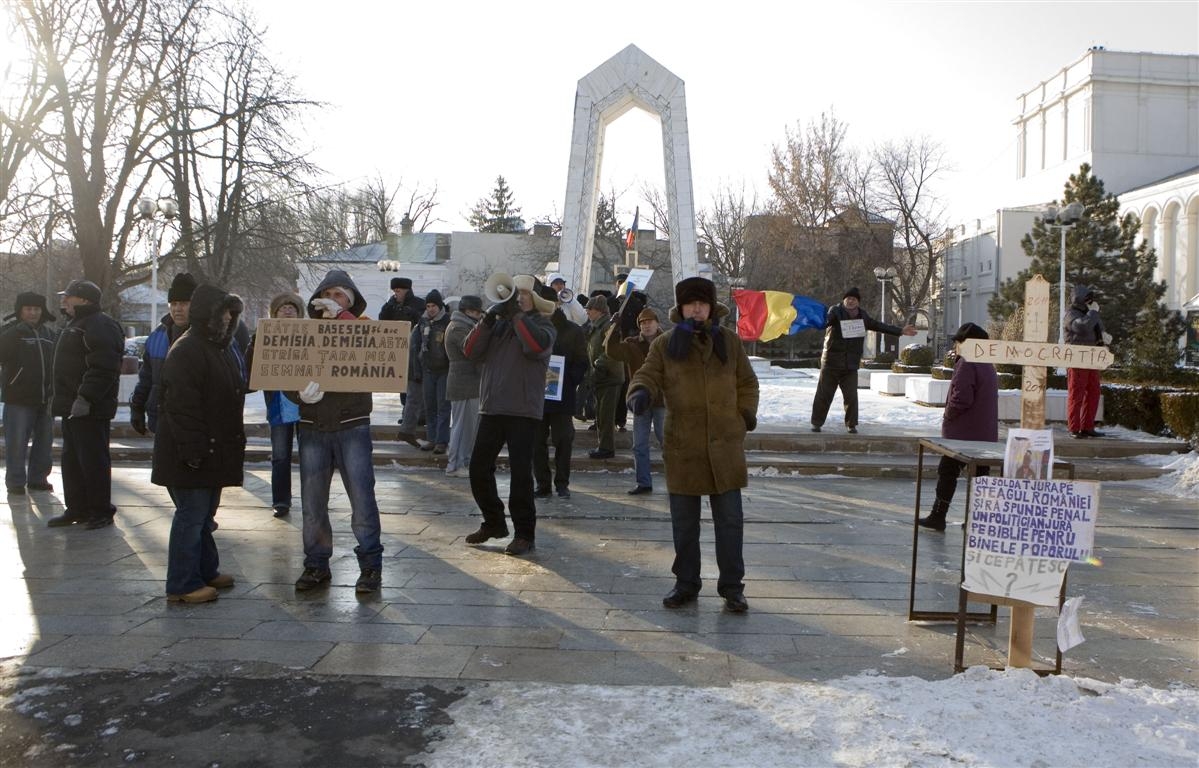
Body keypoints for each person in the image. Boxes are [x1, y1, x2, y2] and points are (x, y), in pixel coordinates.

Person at [628, 277, 759, 612]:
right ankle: (686, 583)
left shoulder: (728, 341)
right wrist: (640, 392)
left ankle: (732, 587)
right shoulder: (666, 344)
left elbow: (747, 381)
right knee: (684, 523)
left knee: (730, 522)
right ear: (682, 308)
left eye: (702, 303)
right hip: (683, 445)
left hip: (724, 446)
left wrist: (743, 416)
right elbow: (647, 374)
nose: (697, 308)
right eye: (691, 304)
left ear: (711, 307)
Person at [291, 270, 384, 593]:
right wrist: (298, 394)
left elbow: (378, 351)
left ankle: (370, 565)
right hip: (313, 426)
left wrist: (343, 318)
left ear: (351, 301)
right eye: (327, 294)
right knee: (313, 503)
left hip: (352, 426)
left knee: (362, 499)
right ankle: (316, 564)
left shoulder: (364, 325)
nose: (331, 300)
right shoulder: (304, 334)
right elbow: (284, 370)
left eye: (339, 295)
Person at [152, 283, 246, 603]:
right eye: (224, 313)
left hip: (210, 449)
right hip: (189, 452)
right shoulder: (188, 349)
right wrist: (193, 451)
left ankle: (206, 571)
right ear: (209, 314)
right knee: (191, 517)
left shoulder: (217, 348)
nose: (227, 319)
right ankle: (181, 584)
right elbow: (181, 407)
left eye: (231, 314)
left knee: (204, 517)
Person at [461, 275, 556, 557]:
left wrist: (517, 318)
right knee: (478, 469)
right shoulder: (500, 324)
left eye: (524, 294)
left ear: (535, 299)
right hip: (492, 407)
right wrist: (488, 319)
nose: (518, 298)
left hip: (523, 411)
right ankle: (494, 522)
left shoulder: (543, 324)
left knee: (521, 476)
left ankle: (524, 534)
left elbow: (535, 347)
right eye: (516, 294)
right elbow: (469, 350)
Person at [47, 279, 124, 529]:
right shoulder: (74, 324)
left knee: (93, 460)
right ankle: (77, 508)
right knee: (72, 461)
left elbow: (104, 367)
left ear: (84, 300)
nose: (63, 300)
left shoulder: (100, 325)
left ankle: (100, 510)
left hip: (89, 408)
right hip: (71, 407)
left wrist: (86, 398)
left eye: (68, 296)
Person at [918, 322, 998, 532]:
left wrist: (949, 414)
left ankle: (938, 515)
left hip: (963, 432)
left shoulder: (967, 362)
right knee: (980, 476)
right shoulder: (987, 363)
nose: (955, 346)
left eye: (957, 342)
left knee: (948, 470)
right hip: (985, 431)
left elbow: (961, 398)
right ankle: (977, 520)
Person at [810, 286, 916, 434]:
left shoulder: (862, 316)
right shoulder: (835, 311)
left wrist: (900, 331)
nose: (851, 301)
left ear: (858, 302)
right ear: (844, 300)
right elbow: (826, 322)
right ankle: (816, 423)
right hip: (831, 363)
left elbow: (878, 326)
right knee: (824, 395)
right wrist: (821, 320)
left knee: (852, 396)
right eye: (849, 298)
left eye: (854, 299)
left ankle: (851, 424)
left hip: (850, 365)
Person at [0, 292, 57, 494]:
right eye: (28, 309)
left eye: (37, 309)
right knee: (16, 443)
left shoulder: (50, 335)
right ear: (20, 311)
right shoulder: (11, 333)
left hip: (46, 399)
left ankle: (38, 479)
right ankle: (15, 482)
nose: (33, 313)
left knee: (44, 443)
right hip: (18, 399)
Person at [534, 287, 588, 499]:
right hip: (535, 396)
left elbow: (582, 361)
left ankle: (562, 482)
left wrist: (569, 380)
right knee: (536, 441)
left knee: (564, 439)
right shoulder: (532, 327)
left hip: (562, 395)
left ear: (556, 304)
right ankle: (542, 483)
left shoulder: (572, 330)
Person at [605, 306, 665, 495]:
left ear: (657, 323)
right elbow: (612, 351)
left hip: (664, 401)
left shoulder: (667, 342)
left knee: (669, 443)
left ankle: (677, 481)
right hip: (641, 400)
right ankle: (644, 482)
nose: (646, 326)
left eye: (650, 322)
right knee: (639, 444)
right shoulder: (632, 345)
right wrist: (615, 327)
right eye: (643, 323)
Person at [130, 272, 197, 435]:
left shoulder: (204, 338)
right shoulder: (157, 337)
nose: (177, 309)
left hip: (192, 424)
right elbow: (146, 378)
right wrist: (137, 408)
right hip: (160, 420)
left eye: (183, 303)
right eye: (173, 303)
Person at [261, 293, 303, 516]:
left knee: (310, 456)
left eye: (292, 308)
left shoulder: (310, 336)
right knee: (280, 456)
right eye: (283, 308)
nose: (287, 311)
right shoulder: (264, 337)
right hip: (279, 406)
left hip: (306, 407)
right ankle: (281, 501)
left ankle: (313, 498)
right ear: (274, 313)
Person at [381, 277, 427, 447]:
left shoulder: (419, 304)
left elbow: (423, 320)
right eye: (394, 291)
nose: (396, 294)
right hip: (399, 351)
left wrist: (412, 313)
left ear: (406, 290)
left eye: (398, 291)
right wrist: (388, 306)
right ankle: (406, 411)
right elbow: (382, 319)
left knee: (415, 384)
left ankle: (420, 415)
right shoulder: (392, 304)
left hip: (415, 351)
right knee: (403, 384)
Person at [445, 295, 484, 478]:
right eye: (475, 312)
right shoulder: (458, 328)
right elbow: (471, 349)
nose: (478, 315)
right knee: (462, 426)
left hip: (468, 381)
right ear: (467, 312)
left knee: (468, 426)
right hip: (463, 382)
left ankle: (462, 461)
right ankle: (455, 464)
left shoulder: (462, 326)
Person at [1064, 284, 1109, 439]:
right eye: (1087, 299)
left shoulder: (1089, 313)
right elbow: (1081, 327)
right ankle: (1074, 428)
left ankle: (1087, 426)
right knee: (1077, 394)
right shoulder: (1071, 314)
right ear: (1080, 300)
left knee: (1094, 393)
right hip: (1077, 359)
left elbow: (1097, 329)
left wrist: (1104, 335)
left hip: (1091, 359)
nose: (1090, 302)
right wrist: (1093, 313)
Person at [584, 295, 623, 459]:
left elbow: (611, 351)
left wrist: (598, 366)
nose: (587, 312)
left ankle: (606, 448)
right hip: (601, 376)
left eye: (589, 309)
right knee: (601, 414)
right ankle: (603, 445)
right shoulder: (597, 327)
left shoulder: (608, 326)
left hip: (609, 376)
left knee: (606, 415)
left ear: (598, 310)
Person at [419, 289, 452, 454]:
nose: (430, 309)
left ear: (440, 306)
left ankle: (442, 441)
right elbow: (417, 344)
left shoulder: (447, 321)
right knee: (429, 406)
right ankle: (432, 438)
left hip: (444, 369)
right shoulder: (423, 321)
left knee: (443, 407)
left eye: (433, 306)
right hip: (428, 369)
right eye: (428, 305)